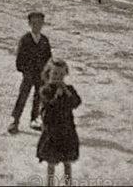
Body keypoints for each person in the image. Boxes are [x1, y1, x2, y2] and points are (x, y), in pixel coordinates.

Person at [36, 59, 81, 187]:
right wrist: (57, 96)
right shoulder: (45, 90)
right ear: (48, 73)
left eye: (61, 75)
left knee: (67, 162)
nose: (58, 77)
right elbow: (48, 109)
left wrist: (67, 92)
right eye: (55, 74)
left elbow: (76, 103)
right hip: (52, 131)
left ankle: (68, 183)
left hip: (67, 131)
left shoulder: (69, 89)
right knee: (51, 162)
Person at [8, 11, 52, 134]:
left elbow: (49, 58)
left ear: (43, 24)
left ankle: (34, 119)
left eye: (39, 23)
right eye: (34, 23)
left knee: (39, 97)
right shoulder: (25, 39)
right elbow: (19, 59)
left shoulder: (44, 40)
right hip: (28, 74)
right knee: (23, 96)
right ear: (29, 24)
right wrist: (25, 71)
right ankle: (15, 120)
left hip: (41, 74)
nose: (36, 26)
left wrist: (47, 72)